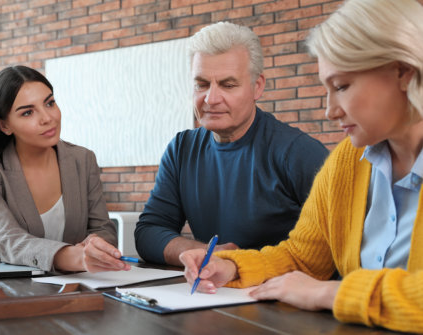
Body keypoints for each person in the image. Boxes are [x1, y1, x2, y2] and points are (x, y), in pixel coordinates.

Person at [180, 0, 423, 333]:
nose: (329, 110)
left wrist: (330, 292)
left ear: (404, 72)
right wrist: (232, 267)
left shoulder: (298, 150)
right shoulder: (346, 162)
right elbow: (303, 257)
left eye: (341, 87)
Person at [135, 22, 328, 266]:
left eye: (228, 85)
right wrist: (206, 253)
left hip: (281, 296)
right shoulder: (181, 149)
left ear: (257, 87)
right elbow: (149, 232)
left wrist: (238, 264)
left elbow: (335, 249)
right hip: (210, 295)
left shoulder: (299, 153)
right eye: (202, 84)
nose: (211, 99)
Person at [0, 66, 130, 273]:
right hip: (9, 289)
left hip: (78, 286)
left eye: (49, 103)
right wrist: (70, 256)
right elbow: (7, 239)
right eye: (28, 112)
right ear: (4, 125)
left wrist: (96, 244)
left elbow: (103, 228)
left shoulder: (82, 159)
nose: (47, 118)